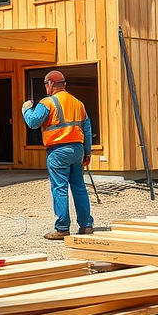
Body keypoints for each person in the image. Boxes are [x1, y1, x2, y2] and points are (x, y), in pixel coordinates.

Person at [21, 70, 93, 239]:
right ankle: (86, 225)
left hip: (58, 151)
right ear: (64, 85)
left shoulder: (47, 102)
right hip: (77, 150)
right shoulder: (78, 103)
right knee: (79, 187)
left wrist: (26, 110)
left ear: (51, 84)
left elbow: (33, 122)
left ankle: (62, 228)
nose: (46, 87)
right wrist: (87, 153)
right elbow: (87, 130)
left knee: (59, 188)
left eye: (46, 84)